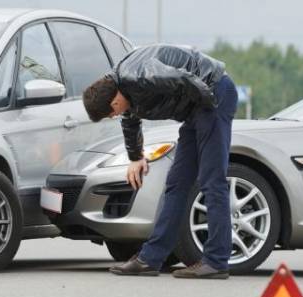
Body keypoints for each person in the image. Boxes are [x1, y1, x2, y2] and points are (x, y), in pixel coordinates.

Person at [83, 44, 238, 279]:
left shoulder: (141, 76)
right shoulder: (120, 85)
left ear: (114, 102)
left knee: (211, 180)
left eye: (110, 114)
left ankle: (216, 261)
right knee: (176, 183)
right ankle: (150, 259)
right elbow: (130, 119)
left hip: (213, 97)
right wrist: (135, 157)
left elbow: (183, 78)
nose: (114, 116)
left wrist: (210, 109)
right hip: (197, 109)